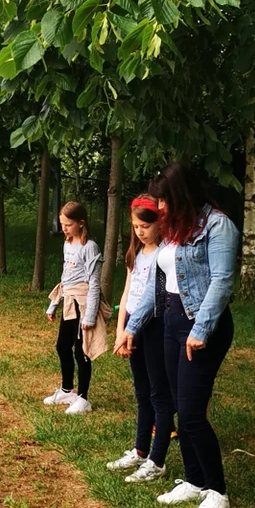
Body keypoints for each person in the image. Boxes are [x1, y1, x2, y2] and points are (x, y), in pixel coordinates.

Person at [114, 164, 238, 508]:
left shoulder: (218, 226)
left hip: (200, 327)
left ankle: (217, 489)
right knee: (179, 408)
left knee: (193, 413)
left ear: (182, 195)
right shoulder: (172, 230)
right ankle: (194, 481)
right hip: (170, 324)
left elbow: (222, 281)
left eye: (165, 199)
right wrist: (133, 327)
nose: (160, 207)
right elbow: (158, 284)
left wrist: (200, 330)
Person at [108, 195, 174, 483]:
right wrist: (120, 329)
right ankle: (139, 450)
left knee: (159, 393)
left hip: (153, 328)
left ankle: (157, 460)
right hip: (131, 327)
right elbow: (127, 294)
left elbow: (152, 298)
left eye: (145, 226)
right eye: (135, 226)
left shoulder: (162, 254)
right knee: (141, 391)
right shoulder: (135, 253)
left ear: (159, 224)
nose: (140, 231)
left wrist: (132, 330)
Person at [44, 201, 106, 415]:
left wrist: (89, 316)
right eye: (62, 224)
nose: (64, 229)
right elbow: (65, 277)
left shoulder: (91, 248)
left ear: (81, 223)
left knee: (82, 352)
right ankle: (67, 389)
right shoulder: (67, 243)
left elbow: (94, 283)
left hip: (84, 304)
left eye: (68, 224)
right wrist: (54, 304)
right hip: (69, 302)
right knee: (62, 346)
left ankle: (83, 398)